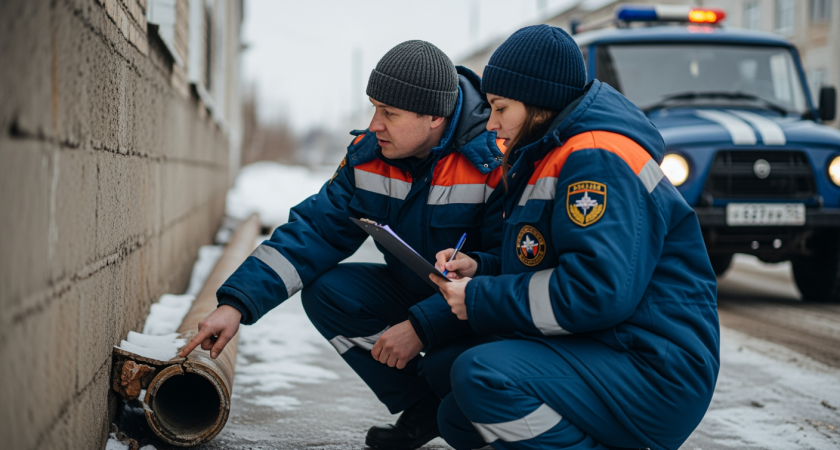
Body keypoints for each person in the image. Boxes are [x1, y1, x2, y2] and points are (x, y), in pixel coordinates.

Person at [180, 40, 508, 449]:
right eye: (373, 107)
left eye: (390, 113)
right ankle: (423, 407)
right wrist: (236, 304)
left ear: (435, 117)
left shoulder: (493, 162)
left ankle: (466, 405)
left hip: (482, 309)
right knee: (331, 293)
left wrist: (424, 326)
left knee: (451, 375)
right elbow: (315, 231)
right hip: (421, 291)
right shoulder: (370, 156)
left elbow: (507, 269)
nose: (374, 124)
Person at [428, 25, 720, 450]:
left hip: (654, 369)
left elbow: (595, 291)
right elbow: (547, 263)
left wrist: (479, 298)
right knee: (457, 415)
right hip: (612, 348)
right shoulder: (555, 152)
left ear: (538, 103)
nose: (491, 123)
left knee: (482, 375)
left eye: (500, 107)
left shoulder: (596, 157)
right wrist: (482, 268)